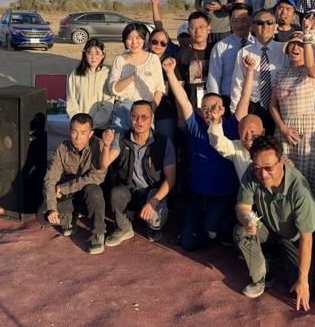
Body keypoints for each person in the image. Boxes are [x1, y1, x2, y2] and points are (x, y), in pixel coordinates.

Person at [162, 57, 240, 251]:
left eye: (214, 108)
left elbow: (244, 99)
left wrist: (249, 73)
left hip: (223, 195)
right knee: (188, 244)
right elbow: (182, 99)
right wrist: (170, 73)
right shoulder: (195, 126)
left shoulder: (231, 127)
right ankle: (197, 230)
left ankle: (220, 226)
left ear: (223, 110)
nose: (209, 112)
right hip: (197, 194)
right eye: (205, 108)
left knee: (212, 231)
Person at [234, 136, 315, 312]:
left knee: (306, 286)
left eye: (268, 168)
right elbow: (242, 206)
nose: (262, 174)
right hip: (267, 227)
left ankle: (278, 256)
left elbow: (306, 238)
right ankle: (262, 276)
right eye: (258, 168)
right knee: (241, 232)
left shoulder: (299, 189)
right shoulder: (251, 172)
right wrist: (247, 219)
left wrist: (302, 280)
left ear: (281, 162)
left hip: (294, 237)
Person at [104, 100, 176, 245]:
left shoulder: (163, 141)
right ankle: (125, 228)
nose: (139, 121)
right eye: (135, 116)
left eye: (144, 117)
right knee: (116, 193)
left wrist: (153, 202)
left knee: (155, 216)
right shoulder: (121, 137)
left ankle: (153, 227)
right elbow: (104, 164)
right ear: (129, 118)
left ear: (152, 119)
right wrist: (106, 146)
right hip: (129, 190)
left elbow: (171, 179)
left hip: (153, 192)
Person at [268, 20, 315, 191]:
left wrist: (306, 34)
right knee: (284, 172)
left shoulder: (314, 70)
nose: (295, 48)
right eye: (292, 44)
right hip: (284, 128)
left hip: (307, 128)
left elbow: (309, 64)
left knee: (308, 176)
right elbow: (273, 106)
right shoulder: (280, 73)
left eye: (300, 45)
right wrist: (283, 128)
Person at [41, 114, 108, 254]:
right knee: (42, 215)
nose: (78, 137)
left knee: (93, 190)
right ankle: (71, 217)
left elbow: (96, 177)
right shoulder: (63, 148)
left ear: (91, 134)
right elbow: (50, 178)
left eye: (83, 133)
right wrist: (52, 208)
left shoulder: (99, 145)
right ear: (69, 131)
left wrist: (64, 188)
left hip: (87, 195)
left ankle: (98, 233)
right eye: (74, 132)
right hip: (71, 195)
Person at [230, 10, 286, 135]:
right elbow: (237, 83)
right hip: (253, 106)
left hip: (279, 108)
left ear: (276, 26)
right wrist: (235, 111)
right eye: (260, 23)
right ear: (253, 27)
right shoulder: (244, 52)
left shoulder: (284, 49)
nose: (265, 26)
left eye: (269, 22)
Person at [108, 23, 165, 132]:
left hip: (146, 109)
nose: (134, 42)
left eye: (138, 38)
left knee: (145, 146)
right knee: (118, 144)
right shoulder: (119, 60)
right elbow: (113, 88)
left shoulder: (153, 59)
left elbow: (160, 88)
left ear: (144, 39)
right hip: (123, 109)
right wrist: (130, 78)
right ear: (125, 40)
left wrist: (151, 110)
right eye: (130, 38)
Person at [206, 2, 255, 99]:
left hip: (252, 98)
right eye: (235, 20)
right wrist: (215, 101)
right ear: (229, 21)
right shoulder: (220, 47)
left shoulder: (257, 44)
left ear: (251, 21)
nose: (239, 24)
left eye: (243, 20)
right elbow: (213, 78)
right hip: (228, 97)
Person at [67, 38, 113, 131]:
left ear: (103, 55)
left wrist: (92, 124)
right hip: (79, 128)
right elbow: (71, 100)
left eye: (97, 53)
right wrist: (80, 123)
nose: (93, 57)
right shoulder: (75, 74)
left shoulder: (108, 74)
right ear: (85, 54)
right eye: (90, 53)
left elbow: (108, 103)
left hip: (101, 127)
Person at [175, 11, 214, 107]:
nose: (197, 31)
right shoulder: (182, 54)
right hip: (191, 108)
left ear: (209, 28)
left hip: (215, 107)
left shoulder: (216, 50)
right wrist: (181, 116)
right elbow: (179, 89)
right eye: (193, 28)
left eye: (201, 27)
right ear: (188, 30)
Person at [209, 114, 265, 179]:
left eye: (252, 132)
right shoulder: (237, 147)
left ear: (263, 132)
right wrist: (216, 121)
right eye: (244, 132)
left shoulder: (271, 150)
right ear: (239, 132)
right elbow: (219, 143)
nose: (248, 136)